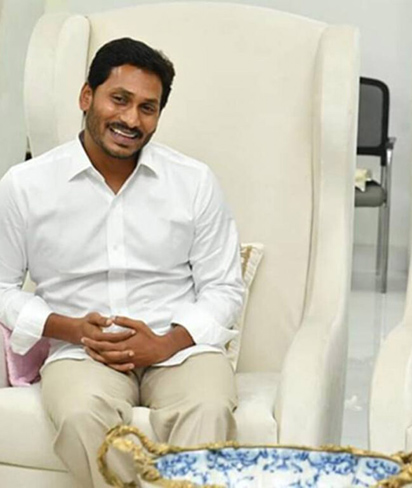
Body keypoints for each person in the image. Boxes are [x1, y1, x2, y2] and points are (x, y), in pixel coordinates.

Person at [0, 38, 245, 487]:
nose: (131, 119)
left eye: (147, 108)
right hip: (81, 353)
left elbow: (224, 288)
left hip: (179, 347)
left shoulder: (193, 181)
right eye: (119, 99)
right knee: (79, 414)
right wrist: (68, 328)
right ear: (86, 96)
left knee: (208, 408)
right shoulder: (25, 185)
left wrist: (167, 343)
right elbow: (1, 287)